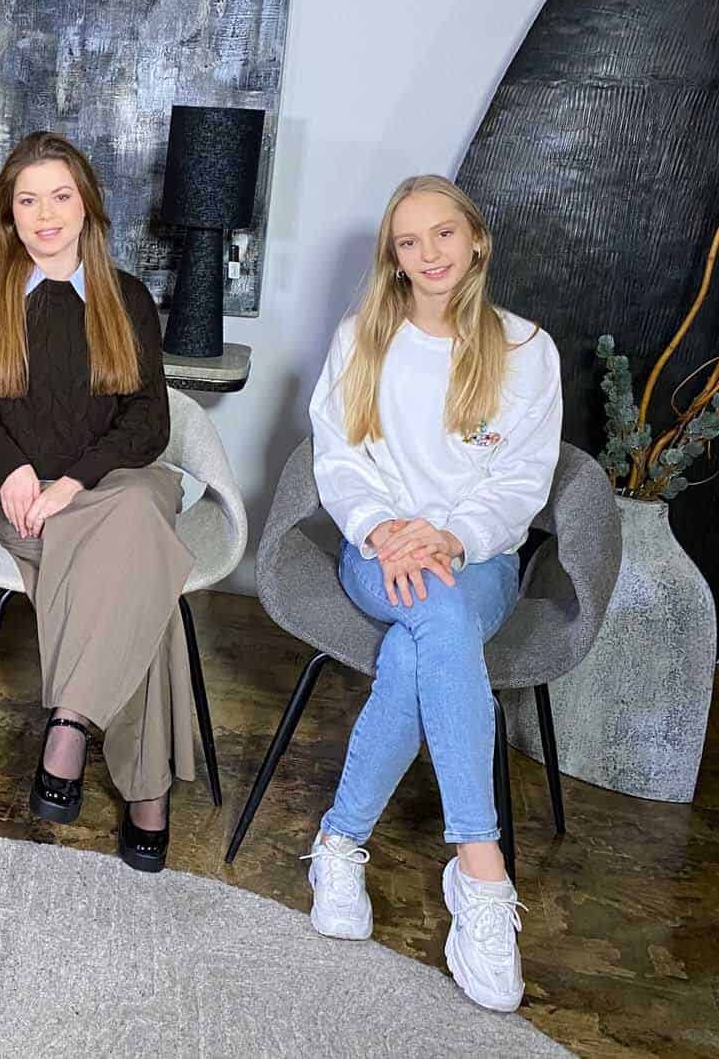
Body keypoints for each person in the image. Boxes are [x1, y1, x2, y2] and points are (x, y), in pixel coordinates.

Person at [305, 174, 562, 1012]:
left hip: (476, 558)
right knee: (436, 618)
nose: (428, 254)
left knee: (424, 643)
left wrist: (450, 536)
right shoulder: (361, 339)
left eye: (442, 234)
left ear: (475, 238)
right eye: (408, 242)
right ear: (393, 257)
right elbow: (338, 458)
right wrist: (384, 528)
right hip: (375, 552)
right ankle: (481, 871)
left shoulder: (525, 349)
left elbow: (521, 480)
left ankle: (339, 844)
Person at [0, 131, 192, 874]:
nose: (45, 215)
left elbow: (148, 422)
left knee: (134, 515)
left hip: (113, 484)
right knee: (145, 577)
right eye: (27, 200)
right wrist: (11, 470)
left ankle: (70, 721)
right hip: (24, 496)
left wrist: (73, 482)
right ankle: (149, 793)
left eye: (59, 196)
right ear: (7, 214)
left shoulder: (126, 298)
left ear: (87, 207)